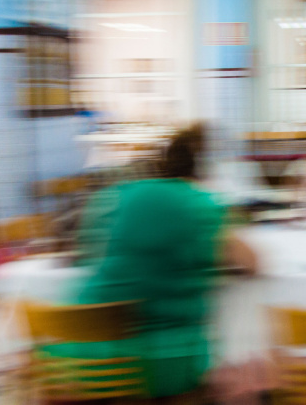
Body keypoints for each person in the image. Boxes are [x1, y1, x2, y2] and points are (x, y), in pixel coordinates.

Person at [55, 124, 257, 401]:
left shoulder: (120, 194)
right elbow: (252, 262)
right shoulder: (199, 203)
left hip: (87, 358)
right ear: (209, 168)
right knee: (243, 378)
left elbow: (86, 250)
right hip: (158, 365)